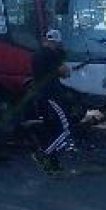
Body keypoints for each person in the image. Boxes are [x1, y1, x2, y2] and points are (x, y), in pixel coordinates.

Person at [30, 29, 72, 174]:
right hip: (51, 96)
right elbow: (66, 72)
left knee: (51, 130)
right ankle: (43, 154)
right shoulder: (51, 55)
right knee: (64, 129)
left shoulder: (36, 54)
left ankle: (53, 165)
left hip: (40, 96)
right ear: (56, 42)